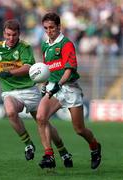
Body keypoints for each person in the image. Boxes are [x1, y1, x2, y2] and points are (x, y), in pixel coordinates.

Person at [0, 19, 73, 166]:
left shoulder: (24, 47)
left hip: (30, 90)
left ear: (19, 34)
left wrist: (10, 72)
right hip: (10, 92)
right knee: (10, 112)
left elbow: (28, 67)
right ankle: (28, 144)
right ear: (4, 33)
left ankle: (63, 150)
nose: (11, 38)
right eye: (8, 35)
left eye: (14, 35)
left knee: (43, 122)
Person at [36, 12, 101, 169]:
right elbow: (46, 68)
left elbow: (69, 70)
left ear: (59, 27)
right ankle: (49, 155)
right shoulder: (45, 45)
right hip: (54, 88)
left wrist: (58, 83)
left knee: (79, 129)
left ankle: (95, 146)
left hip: (69, 88)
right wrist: (45, 84)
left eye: (51, 27)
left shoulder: (66, 44)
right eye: (46, 28)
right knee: (40, 117)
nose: (49, 31)